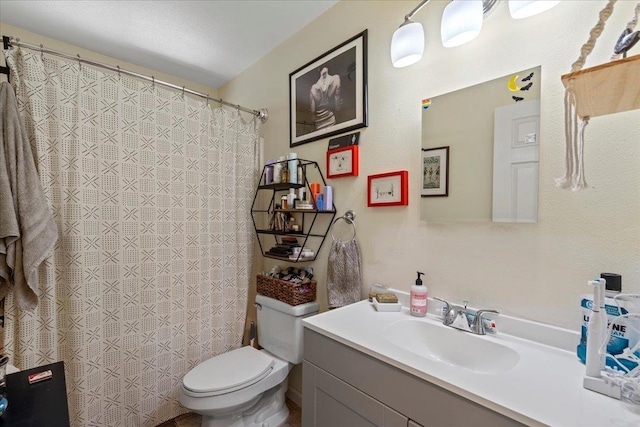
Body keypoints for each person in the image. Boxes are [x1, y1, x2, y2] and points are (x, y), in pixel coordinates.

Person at [309, 66, 341, 130]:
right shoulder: (336, 79)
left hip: (319, 124)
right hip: (330, 119)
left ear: (318, 69)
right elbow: (337, 106)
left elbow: (312, 114)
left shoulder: (313, 88)